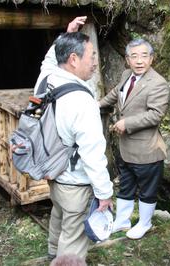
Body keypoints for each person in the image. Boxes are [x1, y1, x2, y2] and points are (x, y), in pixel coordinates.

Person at [33, 17, 113, 259]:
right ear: (73, 59)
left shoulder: (46, 79)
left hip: (53, 172)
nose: (95, 63)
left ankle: (52, 255)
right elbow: (92, 153)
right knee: (74, 234)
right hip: (76, 182)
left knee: (59, 216)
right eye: (91, 57)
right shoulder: (82, 100)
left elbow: (49, 60)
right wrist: (104, 192)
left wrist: (65, 37)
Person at [99, 39, 170, 240]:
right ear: (127, 59)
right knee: (126, 185)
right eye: (134, 56)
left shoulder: (158, 83)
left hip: (147, 149)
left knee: (147, 190)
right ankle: (122, 222)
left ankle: (144, 223)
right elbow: (115, 94)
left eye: (144, 55)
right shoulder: (126, 75)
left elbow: (156, 114)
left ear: (151, 58)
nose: (139, 61)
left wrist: (127, 123)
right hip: (126, 146)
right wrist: (97, 105)